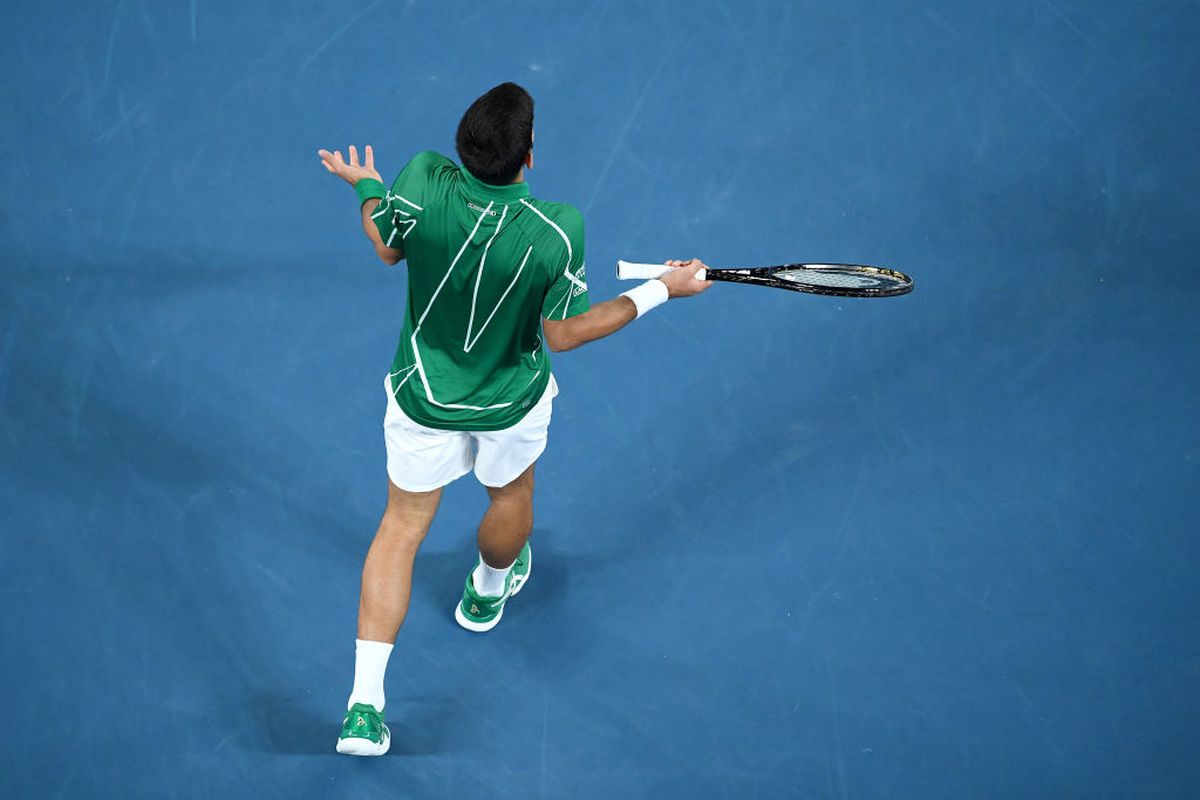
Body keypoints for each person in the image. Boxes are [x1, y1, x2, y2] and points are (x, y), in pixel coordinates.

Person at [317, 82, 711, 756]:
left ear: (461, 146)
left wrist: (365, 186)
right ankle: (487, 593)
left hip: (423, 396)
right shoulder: (556, 229)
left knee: (400, 528)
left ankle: (362, 708)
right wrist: (660, 291)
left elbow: (385, 243)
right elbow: (563, 335)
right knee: (511, 495)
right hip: (509, 403)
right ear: (529, 157)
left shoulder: (420, 176)